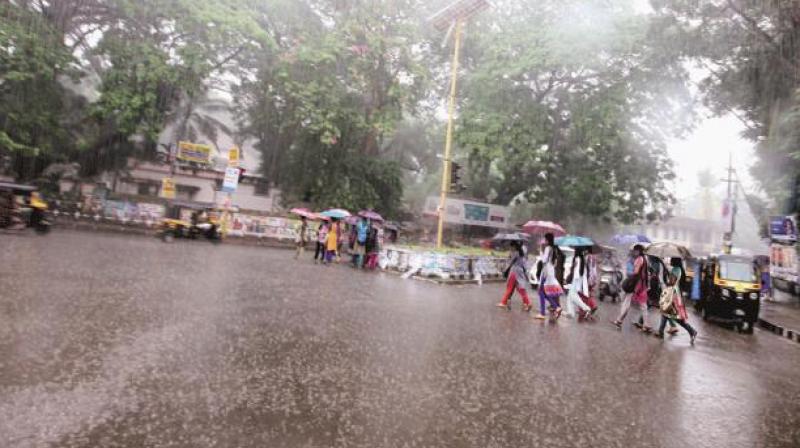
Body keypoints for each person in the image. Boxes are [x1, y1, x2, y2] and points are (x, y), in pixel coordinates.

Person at [655, 258, 698, 344]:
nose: (670, 261)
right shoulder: (679, 269)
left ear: (675, 261)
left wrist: (667, 277)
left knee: (674, 316)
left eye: (671, 259)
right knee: (666, 312)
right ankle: (660, 332)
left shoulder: (676, 269)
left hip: (672, 294)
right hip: (675, 293)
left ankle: (692, 331)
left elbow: (671, 282)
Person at [612, 244, 651, 332]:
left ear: (639, 251)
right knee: (643, 305)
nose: (634, 252)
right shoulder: (645, 259)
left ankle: (619, 320)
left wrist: (630, 279)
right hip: (643, 285)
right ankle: (646, 324)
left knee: (627, 303)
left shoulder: (638, 260)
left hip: (635, 284)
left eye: (635, 250)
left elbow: (636, 272)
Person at [496, 241, 533, 311]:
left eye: (511, 246)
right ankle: (528, 302)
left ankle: (503, 302)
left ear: (514, 246)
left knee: (509, 287)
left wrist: (510, 256)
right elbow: (523, 264)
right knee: (521, 289)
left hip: (514, 271)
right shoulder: (521, 253)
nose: (510, 248)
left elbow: (510, 262)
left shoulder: (515, 253)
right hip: (520, 271)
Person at [534, 233, 563, 320]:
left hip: (546, 272)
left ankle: (543, 313)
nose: (544, 241)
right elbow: (554, 263)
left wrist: (540, 251)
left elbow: (544, 260)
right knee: (542, 292)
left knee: (541, 291)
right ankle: (556, 307)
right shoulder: (554, 249)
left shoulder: (548, 248)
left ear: (547, 240)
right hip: (550, 272)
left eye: (545, 239)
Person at [564, 247, 593, 319]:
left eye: (575, 250)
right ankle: (571, 313)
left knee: (573, 295)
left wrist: (569, 279)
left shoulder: (577, 259)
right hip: (577, 280)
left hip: (576, 280)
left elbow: (575, 271)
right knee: (570, 296)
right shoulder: (581, 258)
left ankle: (586, 309)